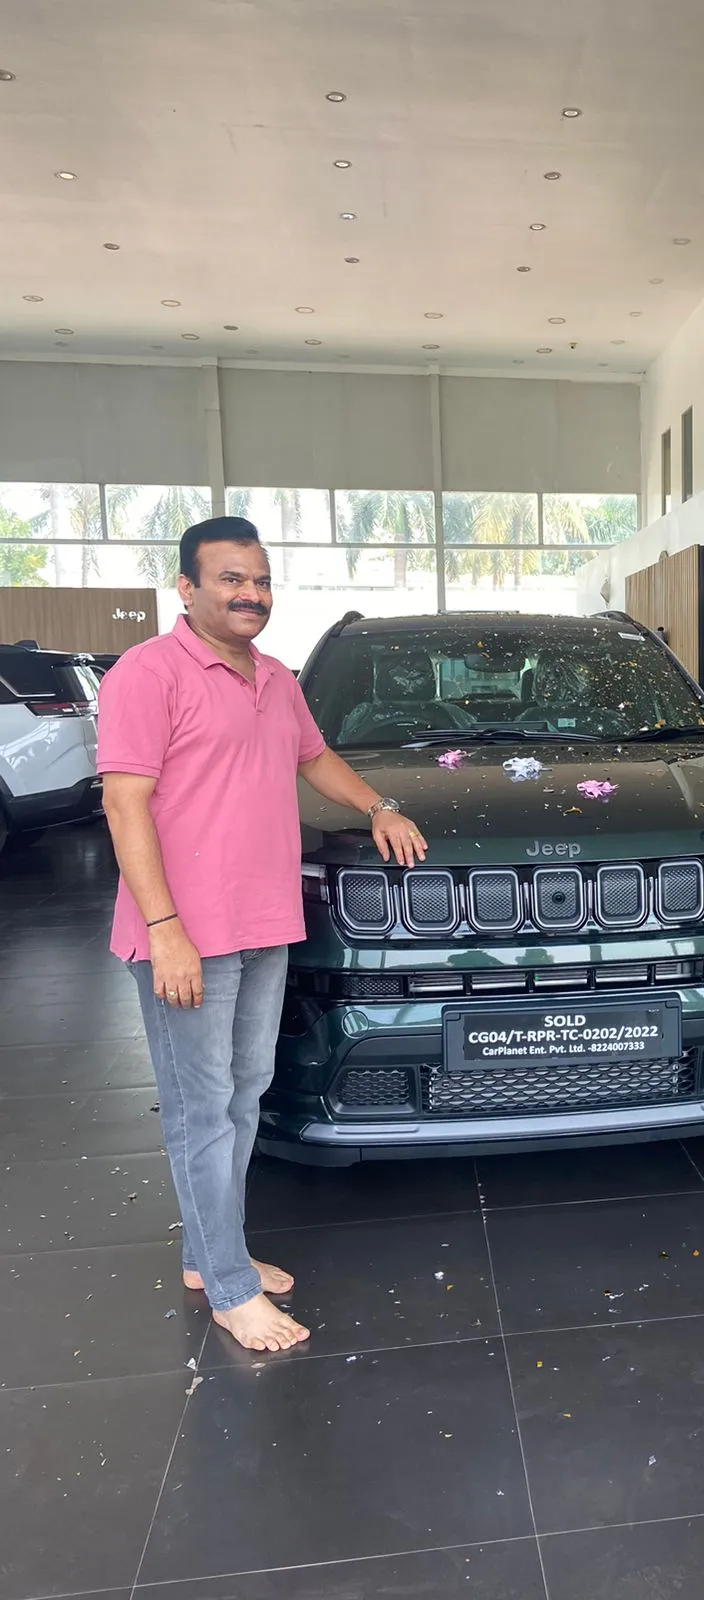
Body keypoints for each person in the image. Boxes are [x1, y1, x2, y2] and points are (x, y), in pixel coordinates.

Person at [99, 517, 427, 1353]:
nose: (251, 594)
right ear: (186, 587)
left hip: (262, 921)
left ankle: (211, 1255)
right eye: (231, 579)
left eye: (261, 580)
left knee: (245, 1093)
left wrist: (379, 806)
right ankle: (230, 1289)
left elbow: (313, 758)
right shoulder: (149, 673)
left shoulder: (275, 678)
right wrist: (165, 930)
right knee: (200, 1110)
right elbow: (124, 804)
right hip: (186, 933)